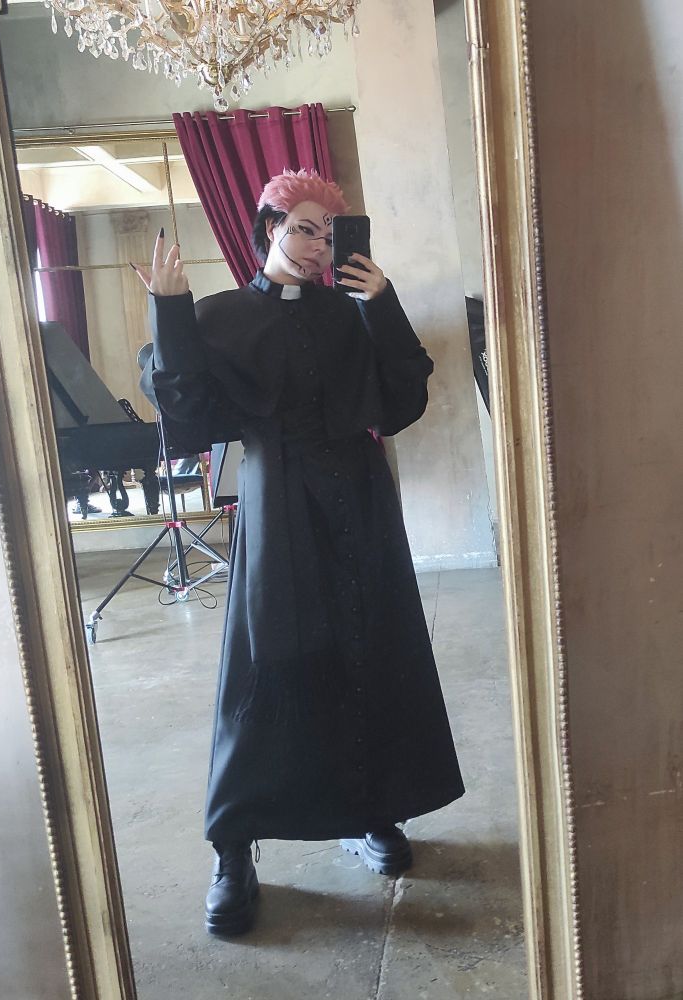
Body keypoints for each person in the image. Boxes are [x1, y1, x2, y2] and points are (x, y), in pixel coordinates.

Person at [136, 169, 465, 937]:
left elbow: (402, 399)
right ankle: (233, 849)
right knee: (264, 672)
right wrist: (170, 312)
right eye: (304, 228)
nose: (318, 245)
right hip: (276, 501)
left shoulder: (351, 311)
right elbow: (185, 409)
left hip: (360, 501)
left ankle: (374, 811)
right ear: (267, 228)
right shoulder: (221, 316)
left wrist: (381, 304)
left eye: (329, 232)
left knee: (369, 653)